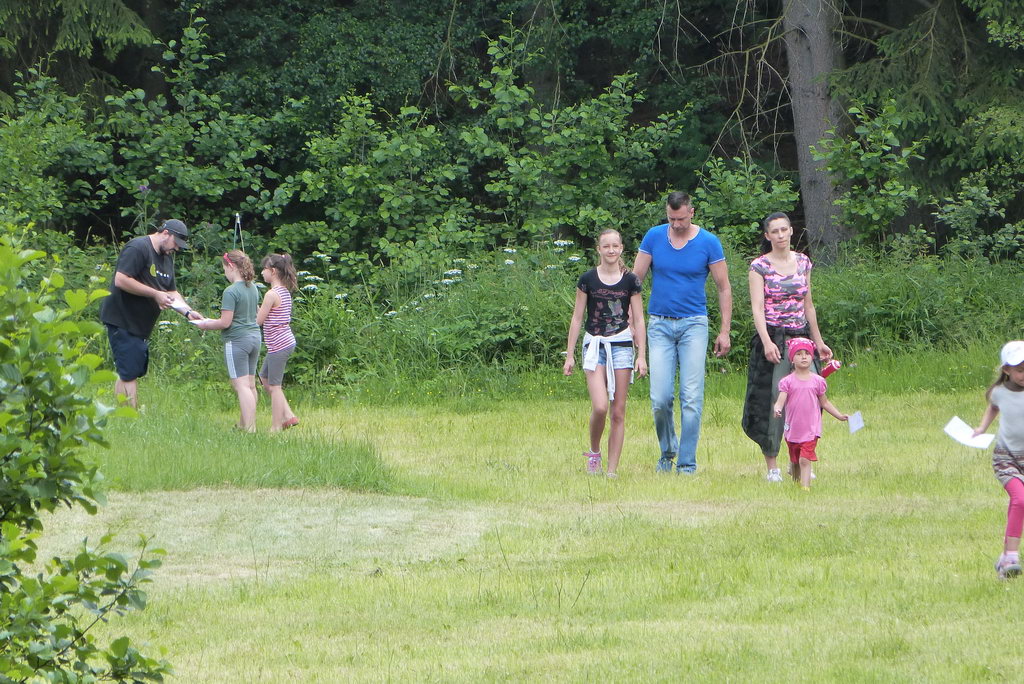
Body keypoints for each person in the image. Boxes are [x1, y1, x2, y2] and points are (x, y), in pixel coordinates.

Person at [632, 191, 732, 474]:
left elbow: (724, 287)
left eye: (680, 219)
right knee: (660, 398)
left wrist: (724, 331)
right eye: (671, 219)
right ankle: (667, 452)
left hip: (693, 325)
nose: (676, 224)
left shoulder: (708, 242)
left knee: (691, 397)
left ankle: (687, 463)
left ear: (691, 213)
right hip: (659, 324)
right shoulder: (653, 237)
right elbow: (635, 282)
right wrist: (631, 320)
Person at [742, 212, 833, 482]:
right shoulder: (759, 266)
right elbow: (757, 308)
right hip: (774, 337)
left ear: (791, 231)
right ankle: (772, 466)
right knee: (773, 399)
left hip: (801, 337)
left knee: (808, 400)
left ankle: (801, 460)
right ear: (767, 236)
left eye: (784, 230)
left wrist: (818, 342)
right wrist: (767, 342)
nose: (781, 235)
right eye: (775, 231)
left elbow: (808, 305)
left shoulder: (803, 262)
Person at [564, 229, 647, 477]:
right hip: (595, 345)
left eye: (615, 246)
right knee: (600, 406)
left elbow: (639, 320)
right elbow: (577, 317)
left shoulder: (630, 280)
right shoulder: (587, 279)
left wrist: (641, 355)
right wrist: (570, 355)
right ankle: (594, 452)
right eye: (606, 246)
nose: (611, 250)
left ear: (621, 248)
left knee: (618, 411)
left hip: (621, 345)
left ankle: (611, 470)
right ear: (598, 249)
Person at [100, 219, 199, 408]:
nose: (176, 248)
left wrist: (188, 312)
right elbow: (121, 279)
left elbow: (171, 292)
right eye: (176, 243)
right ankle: (131, 415)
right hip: (122, 318)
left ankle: (121, 412)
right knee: (129, 370)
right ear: (165, 233)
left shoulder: (166, 257)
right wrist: (155, 294)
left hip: (140, 324)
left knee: (130, 369)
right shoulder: (138, 248)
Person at [192, 251, 261, 432]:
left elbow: (225, 322)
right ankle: (244, 424)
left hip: (237, 340)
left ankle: (250, 429)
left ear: (231, 267)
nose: (225, 273)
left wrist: (205, 324)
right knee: (250, 384)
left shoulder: (230, 291)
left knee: (241, 386)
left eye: (224, 269)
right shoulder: (253, 287)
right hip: (255, 338)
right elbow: (256, 314)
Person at [972, 340, 1024, 579]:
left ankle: (1004, 560)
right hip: (1006, 458)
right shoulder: (999, 393)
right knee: (1020, 499)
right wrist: (982, 428)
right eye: (1020, 370)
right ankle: (1012, 556)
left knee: (1020, 503)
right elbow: (993, 407)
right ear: (1006, 370)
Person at [772, 338, 848, 491]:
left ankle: (805, 487)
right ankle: (796, 483)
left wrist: (839, 416)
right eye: (799, 354)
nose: (804, 357)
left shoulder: (818, 381)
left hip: (811, 429)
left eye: (807, 353)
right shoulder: (787, 382)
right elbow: (780, 400)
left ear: (812, 357)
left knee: (804, 460)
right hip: (793, 428)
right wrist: (777, 409)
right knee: (795, 460)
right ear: (792, 359)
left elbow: (824, 402)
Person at [257, 253, 300, 431]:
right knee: (264, 378)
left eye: (264, 269)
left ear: (273, 271)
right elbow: (269, 315)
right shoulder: (284, 291)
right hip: (283, 342)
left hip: (279, 345)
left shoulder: (271, 294)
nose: (262, 272)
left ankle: (276, 426)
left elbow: (258, 321)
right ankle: (288, 415)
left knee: (275, 386)